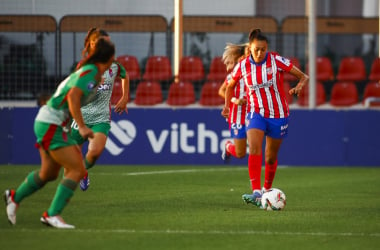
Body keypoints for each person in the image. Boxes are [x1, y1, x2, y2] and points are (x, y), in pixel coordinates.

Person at [4, 37, 116, 229]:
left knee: (48, 173)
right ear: (109, 58)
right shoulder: (91, 72)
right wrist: (81, 126)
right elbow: (73, 96)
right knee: (78, 170)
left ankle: (14, 196)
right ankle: (52, 214)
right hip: (51, 123)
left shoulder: (90, 71)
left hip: (48, 121)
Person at [222, 28, 309, 207]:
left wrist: (299, 86)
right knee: (254, 148)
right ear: (250, 48)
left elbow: (303, 76)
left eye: (263, 49)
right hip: (256, 113)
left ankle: (266, 190)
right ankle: (256, 192)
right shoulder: (243, 65)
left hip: (278, 115)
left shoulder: (276, 60)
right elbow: (229, 86)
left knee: (270, 157)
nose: (260, 53)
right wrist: (227, 106)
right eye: (256, 49)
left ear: (267, 48)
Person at [71, 28, 129, 191]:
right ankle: (80, 173)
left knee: (95, 151)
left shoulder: (115, 65)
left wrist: (124, 97)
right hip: (81, 117)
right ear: (93, 44)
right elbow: (75, 91)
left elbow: (125, 76)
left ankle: (80, 171)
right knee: (71, 159)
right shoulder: (84, 66)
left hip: (101, 117)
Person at [218, 43, 249, 162]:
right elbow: (222, 91)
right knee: (240, 153)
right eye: (249, 54)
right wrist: (234, 100)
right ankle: (228, 147)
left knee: (256, 147)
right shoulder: (233, 76)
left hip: (254, 115)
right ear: (242, 58)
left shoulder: (258, 74)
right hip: (237, 116)